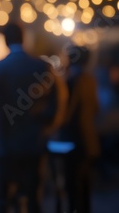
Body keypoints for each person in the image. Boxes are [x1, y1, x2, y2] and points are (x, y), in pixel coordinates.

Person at [0, 22, 67, 213]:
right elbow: (58, 99)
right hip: (34, 141)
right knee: (34, 195)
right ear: (24, 38)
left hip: (4, 141)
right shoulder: (41, 66)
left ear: (5, 40)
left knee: (2, 198)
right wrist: (48, 125)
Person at [57, 45, 100, 213]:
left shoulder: (72, 82)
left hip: (73, 142)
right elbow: (96, 108)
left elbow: (65, 114)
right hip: (89, 140)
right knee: (85, 186)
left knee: (73, 187)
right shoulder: (90, 79)